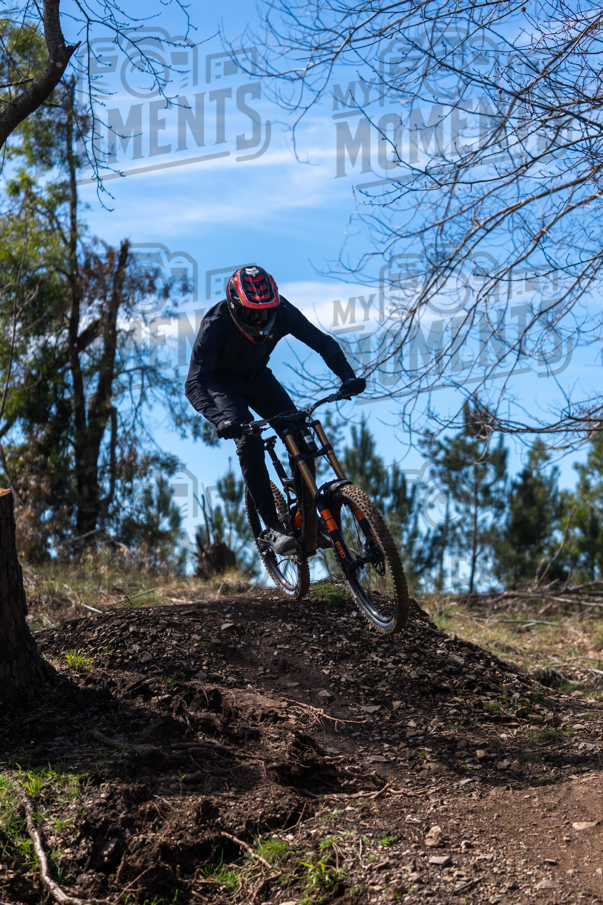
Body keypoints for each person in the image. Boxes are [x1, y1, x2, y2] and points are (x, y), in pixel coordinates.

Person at [185, 265, 365, 555]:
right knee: (250, 440)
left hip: (258, 378)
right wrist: (220, 420)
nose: (260, 319)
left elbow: (322, 343)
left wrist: (347, 377)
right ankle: (270, 528)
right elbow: (194, 384)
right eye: (251, 313)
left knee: (302, 435)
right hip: (223, 385)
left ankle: (307, 518)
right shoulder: (215, 325)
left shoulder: (282, 311)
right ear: (234, 305)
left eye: (266, 311)